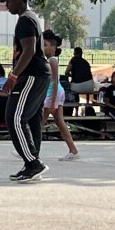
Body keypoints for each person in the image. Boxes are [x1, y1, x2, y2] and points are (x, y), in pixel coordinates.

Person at [0, 0, 51, 183]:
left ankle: (33, 163)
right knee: (31, 119)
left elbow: (28, 51)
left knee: (14, 117)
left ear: (18, 0)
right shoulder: (30, 18)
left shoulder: (25, 20)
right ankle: (32, 162)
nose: (6, 6)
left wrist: (13, 76)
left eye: (8, 1)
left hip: (31, 75)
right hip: (38, 75)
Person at [41, 30, 79, 161]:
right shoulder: (49, 60)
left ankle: (29, 149)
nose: (43, 47)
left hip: (53, 93)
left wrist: (52, 103)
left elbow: (56, 81)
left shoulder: (52, 60)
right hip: (54, 93)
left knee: (40, 122)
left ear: (53, 47)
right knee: (60, 122)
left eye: (45, 45)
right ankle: (73, 150)